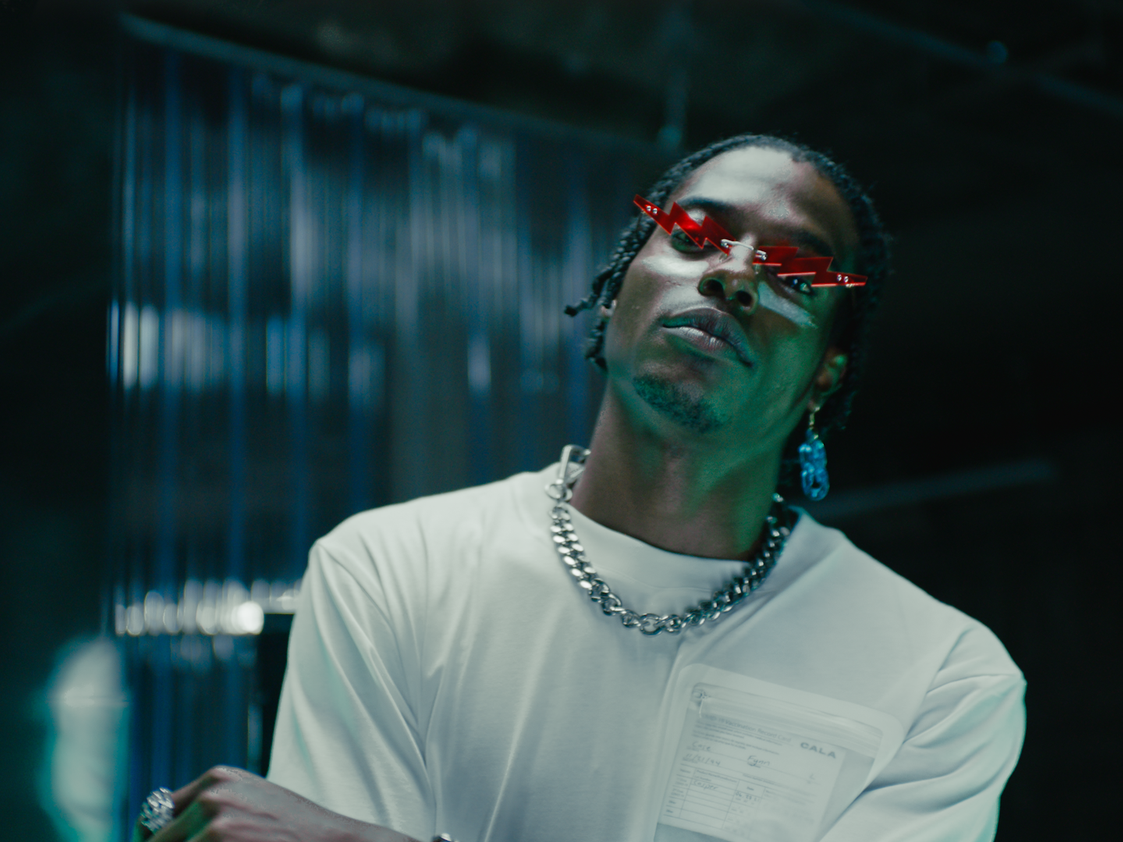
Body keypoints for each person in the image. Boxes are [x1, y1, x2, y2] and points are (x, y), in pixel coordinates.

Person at [136, 134, 1025, 842]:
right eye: (696, 235)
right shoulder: (393, 568)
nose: (733, 274)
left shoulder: (940, 675)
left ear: (826, 374)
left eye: (795, 271)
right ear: (614, 292)